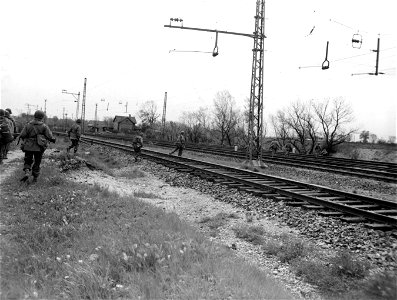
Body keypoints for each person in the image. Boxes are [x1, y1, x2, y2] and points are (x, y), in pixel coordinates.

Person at [19, 110, 56, 183]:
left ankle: (27, 172)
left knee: (28, 160)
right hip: (39, 147)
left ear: (34, 116)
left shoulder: (28, 125)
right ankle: (34, 178)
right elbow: (49, 136)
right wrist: (52, 139)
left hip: (28, 146)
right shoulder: (44, 126)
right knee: (37, 161)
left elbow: (22, 135)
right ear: (42, 117)